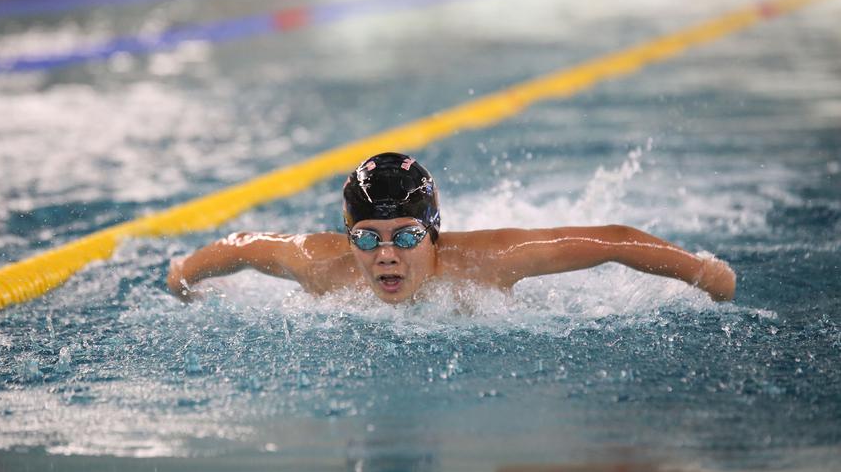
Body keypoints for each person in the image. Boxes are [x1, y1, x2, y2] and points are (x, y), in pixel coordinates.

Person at [167, 152, 735, 304]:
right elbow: (239, 247)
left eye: (407, 237)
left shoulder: (490, 262)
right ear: (347, 239)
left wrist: (706, 275)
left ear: (434, 234)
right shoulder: (322, 268)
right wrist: (183, 279)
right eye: (367, 238)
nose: (385, 256)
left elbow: (614, 240)